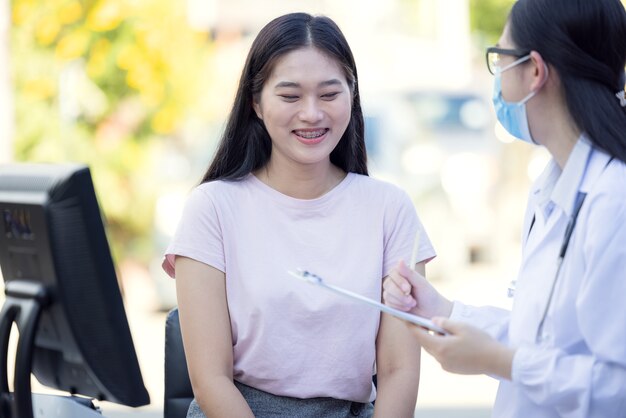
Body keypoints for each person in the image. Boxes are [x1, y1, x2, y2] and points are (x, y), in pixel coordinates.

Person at [163, 12, 436, 418]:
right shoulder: (212, 208)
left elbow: (399, 371)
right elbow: (209, 380)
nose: (311, 113)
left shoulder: (389, 209)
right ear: (255, 102)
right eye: (290, 96)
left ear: (351, 95)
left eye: (329, 94)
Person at [383, 0, 626, 417]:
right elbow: (545, 341)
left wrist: (498, 361)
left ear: (534, 72)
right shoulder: (553, 186)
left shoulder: (614, 199)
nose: (496, 81)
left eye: (501, 57)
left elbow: (617, 383)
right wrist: (440, 310)